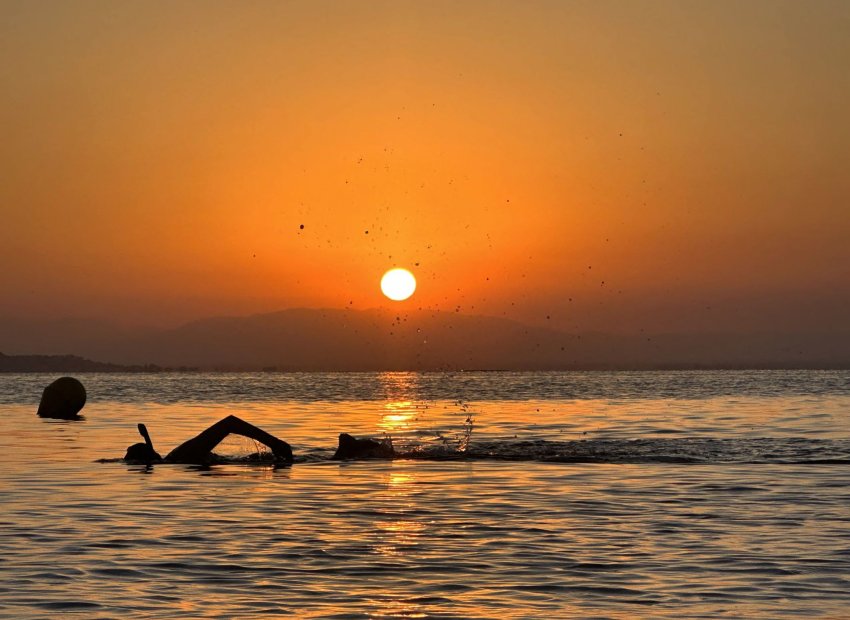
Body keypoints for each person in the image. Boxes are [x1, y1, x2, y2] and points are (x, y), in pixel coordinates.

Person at [124, 415, 293, 464]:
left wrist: (274, 443)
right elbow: (230, 423)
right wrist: (274, 443)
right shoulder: (182, 456)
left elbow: (230, 423)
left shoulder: (181, 455)